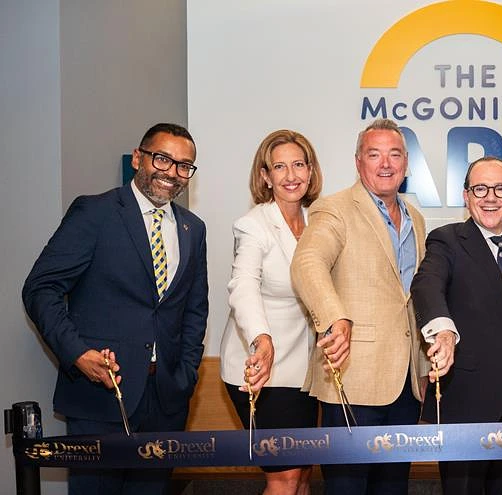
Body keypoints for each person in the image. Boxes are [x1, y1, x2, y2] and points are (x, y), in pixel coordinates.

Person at [22, 123, 208, 494]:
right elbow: (41, 288)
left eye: (184, 165)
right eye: (162, 159)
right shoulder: (96, 212)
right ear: (138, 158)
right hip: (102, 394)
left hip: (166, 401)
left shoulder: (193, 228)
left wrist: (185, 374)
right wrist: (77, 354)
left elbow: (194, 311)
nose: (172, 172)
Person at [290, 118, 429, 495]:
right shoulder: (333, 209)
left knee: (393, 486)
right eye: (374, 154)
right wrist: (335, 318)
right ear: (358, 162)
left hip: (406, 383)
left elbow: (409, 297)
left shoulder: (415, 218)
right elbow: (307, 263)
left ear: (406, 164)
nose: (385, 163)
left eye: (394, 154)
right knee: (348, 488)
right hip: (351, 375)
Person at [410, 156, 502, 495]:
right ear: (466, 195)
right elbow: (426, 285)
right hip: (466, 405)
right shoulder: (447, 241)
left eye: (500, 189)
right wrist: (444, 331)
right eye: (480, 188)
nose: (490, 197)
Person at [219, 130, 323, 495]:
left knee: (304, 472)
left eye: (298, 165)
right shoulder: (253, 225)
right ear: (265, 176)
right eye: (279, 167)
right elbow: (242, 286)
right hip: (261, 367)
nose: (290, 175)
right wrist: (262, 341)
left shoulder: (319, 221)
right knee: (284, 476)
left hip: (306, 371)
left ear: (310, 171)